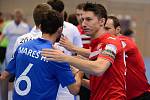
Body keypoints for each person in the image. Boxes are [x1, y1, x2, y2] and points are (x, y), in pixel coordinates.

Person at [41, 3, 126, 100]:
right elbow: (97, 84)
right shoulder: (95, 45)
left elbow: (99, 68)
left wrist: (65, 58)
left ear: (102, 21)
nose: (83, 24)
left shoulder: (111, 42)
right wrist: (76, 74)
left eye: (88, 19)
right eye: (83, 20)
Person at [0, 4, 81, 100]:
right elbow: (74, 90)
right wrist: (80, 72)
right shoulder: (57, 57)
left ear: (41, 27)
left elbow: (4, 77)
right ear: (60, 30)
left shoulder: (23, 46)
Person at [105, 15, 150, 100]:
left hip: (141, 95)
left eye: (107, 29)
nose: (104, 32)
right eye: (103, 29)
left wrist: (73, 49)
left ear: (117, 30)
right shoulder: (108, 45)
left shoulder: (123, 41)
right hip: (124, 96)